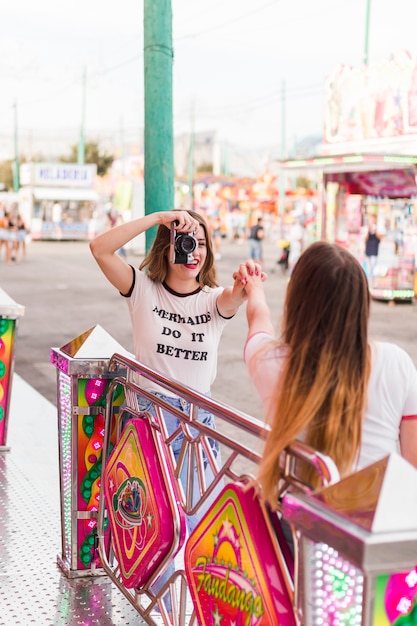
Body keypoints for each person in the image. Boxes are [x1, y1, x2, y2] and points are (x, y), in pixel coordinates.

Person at [235, 241, 417, 508]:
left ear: (295, 300)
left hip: (300, 532)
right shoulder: (396, 362)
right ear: (361, 304)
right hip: (373, 529)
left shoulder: (268, 361)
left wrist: (255, 289)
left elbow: (259, 317)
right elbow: (412, 465)